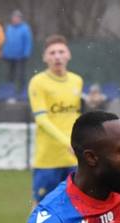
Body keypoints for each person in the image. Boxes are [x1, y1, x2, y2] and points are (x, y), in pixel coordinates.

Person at [28, 34, 82, 205]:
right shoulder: (38, 82)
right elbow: (42, 120)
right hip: (48, 160)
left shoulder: (76, 81)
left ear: (69, 55)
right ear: (45, 58)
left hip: (74, 159)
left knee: (78, 206)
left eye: (61, 51)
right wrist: (68, 142)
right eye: (52, 53)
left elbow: (76, 116)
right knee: (42, 208)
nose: (57, 56)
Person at [1, 9, 32, 91]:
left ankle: (22, 92)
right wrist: (4, 52)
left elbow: (28, 42)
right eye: (14, 17)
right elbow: (5, 41)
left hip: (21, 56)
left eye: (17, 17)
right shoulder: (8, 28)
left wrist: (26, 53)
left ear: (20, 19)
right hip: (9, 56)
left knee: (21, 75)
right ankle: (9, 92)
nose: (15, 19)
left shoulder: (25, 28)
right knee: (9, 75)